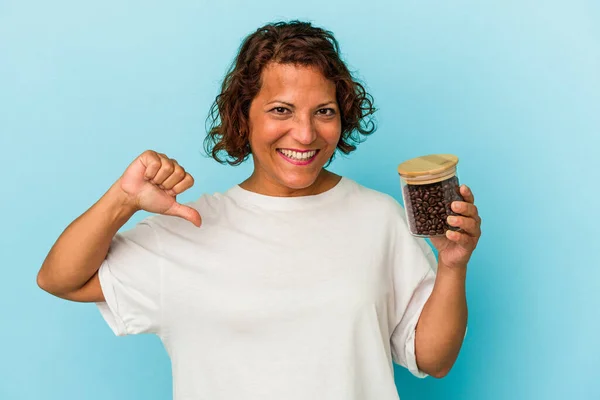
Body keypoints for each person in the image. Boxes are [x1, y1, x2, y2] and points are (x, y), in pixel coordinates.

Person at [37, 20, 482, 400]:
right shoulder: (189, 228)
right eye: (281, 110)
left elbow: (433, 358)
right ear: (242, 116)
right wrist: (123, 200)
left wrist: (453, 265)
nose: (305, 134)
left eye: (323, 111)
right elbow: (59, 279)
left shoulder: (379, 217)